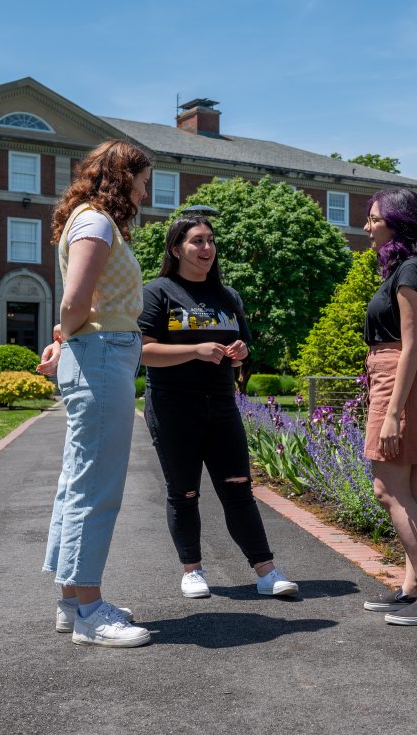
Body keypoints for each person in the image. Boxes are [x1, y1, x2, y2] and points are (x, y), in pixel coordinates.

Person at [138, 216, 299, 599]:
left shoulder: (228, 297)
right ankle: (192, 570)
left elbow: (242, 351)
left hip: (222, 404)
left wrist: (241, 353)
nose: (206, 248)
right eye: (197, 241)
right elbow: (142, 351)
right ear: (176, 248)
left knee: (238, 487)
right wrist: (194, 350)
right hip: (174, 406)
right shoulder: (158, 292)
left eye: (210, 240)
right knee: (184, 491)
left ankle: (266, 571)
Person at [36, 140, 152, 647]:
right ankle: (89, 611)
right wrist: (70, 337)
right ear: (122, 177)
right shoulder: (98, 222)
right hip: (103, 355)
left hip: (99, 352)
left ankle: (71, 602)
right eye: (144, 179)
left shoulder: (90, 220)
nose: (147, 190)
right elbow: (74, 302)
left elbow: (77, 309)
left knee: (78, 480)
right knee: (95, 487)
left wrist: (70, 340)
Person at [359, 188, 417, 625]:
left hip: (402, 379)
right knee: (410, 486)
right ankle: (413, 585)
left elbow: (412, 347)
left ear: (398, 222)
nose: (367, 227)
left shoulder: (413, 272)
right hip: (399, 376)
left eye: (375, 219)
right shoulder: (409, 270)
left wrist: (393, 412)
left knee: (388, 488)